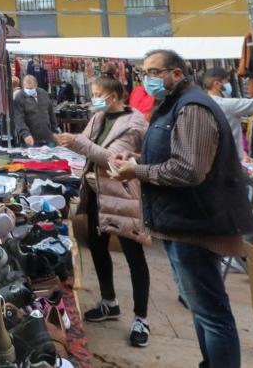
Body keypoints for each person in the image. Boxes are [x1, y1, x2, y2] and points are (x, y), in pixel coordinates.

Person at [108, 49, 253, 368]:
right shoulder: (174, 105)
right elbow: (171, 154)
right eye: (144, 72)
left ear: (177, 74)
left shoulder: (193, 109)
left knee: (212, 313)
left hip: (197, 225)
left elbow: (188, 170)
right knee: (201, 308)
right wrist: (138, 159)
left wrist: (137, 171)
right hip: (183, 222)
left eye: (154, 72)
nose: (147, 79)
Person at [54, 70, 152, 348]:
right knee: (97, 247)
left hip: (122, 197)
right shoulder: (98, 118)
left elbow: (113, 160)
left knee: (134, 254)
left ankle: (141, 318)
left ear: (113, 96)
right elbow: (86, 146)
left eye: (97, 95)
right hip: (97, 193)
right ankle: (110, 302)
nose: (94, 99)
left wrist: (77, 142)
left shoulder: (134, 124)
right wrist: (71, 145)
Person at [12, 74, 57, 146]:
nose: (29, 90)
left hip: (47, 136)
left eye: (31, 88)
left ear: (36, 85)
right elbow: (18, 119)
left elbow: (51, 113)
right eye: (27, 88)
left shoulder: (44, 93)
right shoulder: (19, 97)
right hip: (30, 139)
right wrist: (25, 134)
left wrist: (55, 130)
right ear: (23, 86)